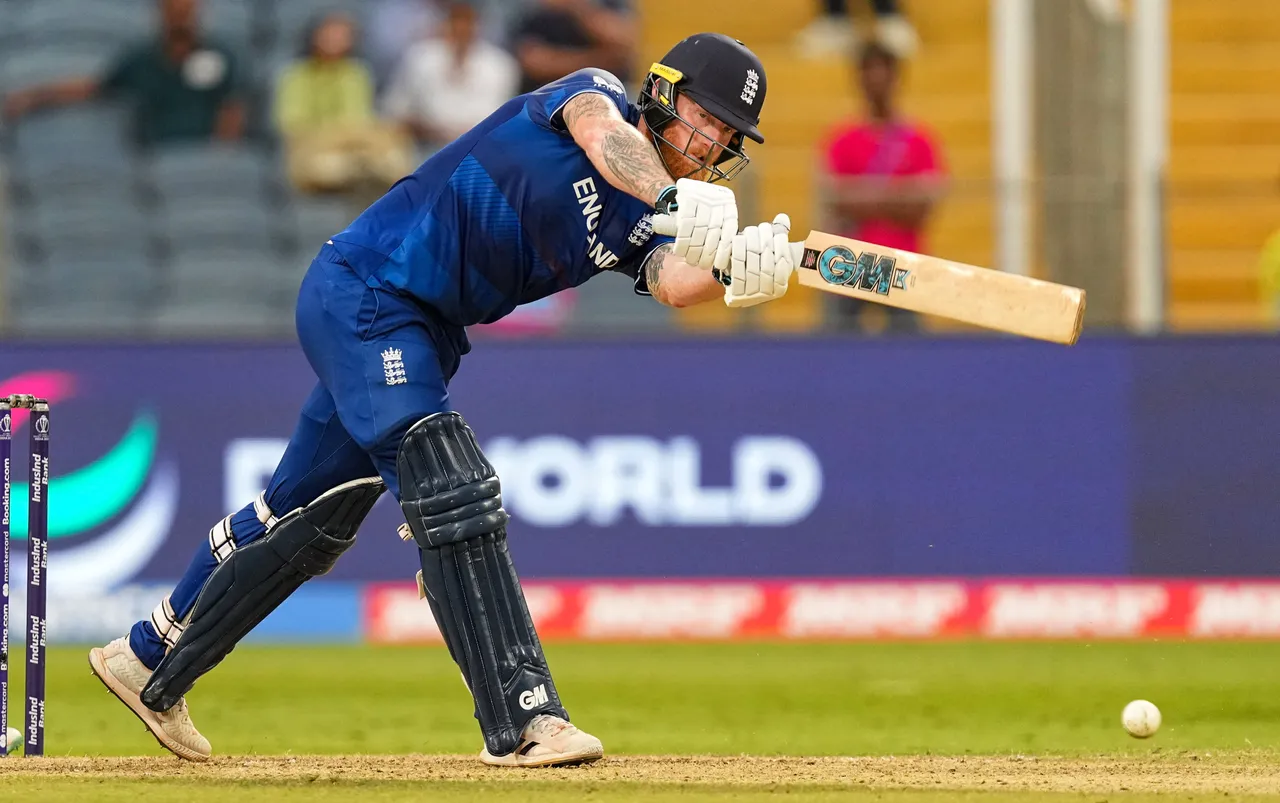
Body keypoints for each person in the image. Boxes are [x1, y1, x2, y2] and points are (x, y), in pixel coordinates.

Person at [88, 32, 800, 767]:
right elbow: (603, 136)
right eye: (704, 117)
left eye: (726, 134)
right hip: (370, 291)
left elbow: (676, 281)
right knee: (453, 487)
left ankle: (149, 663)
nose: (711, 141)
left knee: (306, 516)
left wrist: (740, 270)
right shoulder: (595, 96)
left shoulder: (642, 222)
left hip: (420, 330)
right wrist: (670, 195)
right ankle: (526, 718)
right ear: (660, 91)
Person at [819, 38, 945, 334]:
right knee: (839, 355)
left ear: (896, 78)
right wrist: (899, 195)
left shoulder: (919, 141)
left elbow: (923, 206)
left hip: (905, 265)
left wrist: (861, 198)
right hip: (849, 263)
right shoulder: (841, 140)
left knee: (909, 356)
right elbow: (833, 200)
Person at [1, 0, 245, 149]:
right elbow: (96, 87)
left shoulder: (220, 56)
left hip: (203, 158)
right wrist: (35, 96)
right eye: (175, 11)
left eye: (187, 11)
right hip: (159, 158)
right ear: (161, 13)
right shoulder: (142, 60)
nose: (181, 19)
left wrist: (218, 160)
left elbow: (232, 107)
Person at [274, 11, 414, 195]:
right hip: (312, 152)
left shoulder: (356, 74)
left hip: (352, 148)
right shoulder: (295, 75)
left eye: (342, 36)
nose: (336, 40)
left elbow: (358, 122)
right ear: (314, 36)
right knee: (327, 165)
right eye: (330, 34)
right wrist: (337, 134)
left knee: (394, 153)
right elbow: (294, 127)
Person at [381, 1, 520, 152]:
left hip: (479, 150)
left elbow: (499, 120)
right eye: (456, 25)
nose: (461, 31)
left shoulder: (499, 64)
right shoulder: (420, 57)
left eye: (467, 25)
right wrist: (428, 129)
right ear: (445, 26)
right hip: (422, 145)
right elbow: (395, 110)